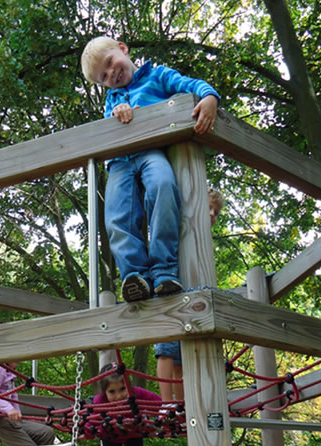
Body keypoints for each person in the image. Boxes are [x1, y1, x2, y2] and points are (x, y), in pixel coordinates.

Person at [81, 37, 220, 303]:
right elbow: (109, 127)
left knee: (163, 187)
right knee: (116, 215)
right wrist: (117, 113)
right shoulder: (113, 99)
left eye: (111, 63)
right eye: (104, 77)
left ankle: (164, 269)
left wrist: (210, 96)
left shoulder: (157, 76)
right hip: (120, 161)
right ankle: (135, 276)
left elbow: (188, 85)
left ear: (123, 49)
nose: (112, 74)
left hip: (151, 151)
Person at [154, 188, 225, 401]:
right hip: (169, 289)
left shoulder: (204, 241)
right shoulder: (181, 227)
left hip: (193, 297)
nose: (212, 214)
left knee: (181, 359)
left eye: (216, 212)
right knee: (167, 349)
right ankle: (167, 403)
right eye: (208, 208)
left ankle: (182, 405)